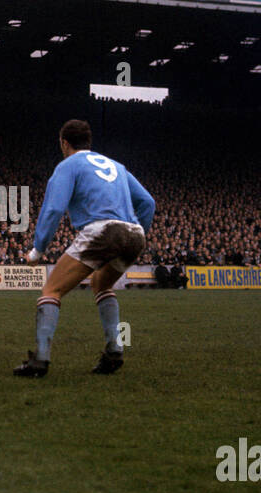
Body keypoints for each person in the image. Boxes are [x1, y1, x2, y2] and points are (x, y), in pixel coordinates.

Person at [14, 119, 155, 377]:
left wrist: (38, 250)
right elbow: (148, 202)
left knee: (51, 290)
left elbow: (54, 208)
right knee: (101, 284)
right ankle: (114, 351)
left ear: (64, 143)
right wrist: (137, 232)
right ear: (89, 142)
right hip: (134, 233)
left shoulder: (68, 165)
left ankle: (40, 360)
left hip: (103, 230)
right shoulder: (117, 165)